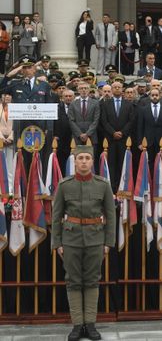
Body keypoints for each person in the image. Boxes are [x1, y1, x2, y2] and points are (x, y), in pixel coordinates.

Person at [51, 144, 116, 341]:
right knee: (73, 281)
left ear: (92, 161)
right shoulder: (64, 185)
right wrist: (57, 242)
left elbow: (111, 216)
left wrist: (108, 242)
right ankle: (77, 325)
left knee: (92, 281)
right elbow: (56, 217)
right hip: (70, 240)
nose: (84, 162)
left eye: (87, 158)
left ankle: (91, 324)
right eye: (81, 158)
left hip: (96, 239)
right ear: (75, 161)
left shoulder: (103, 184)